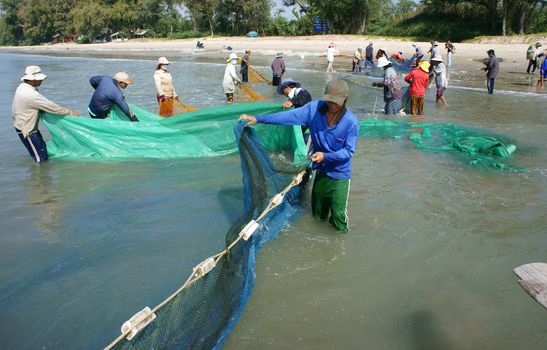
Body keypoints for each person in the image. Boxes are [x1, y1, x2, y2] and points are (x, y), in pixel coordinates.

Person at [238, 79, 359, 232]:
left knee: (338, 216)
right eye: (329, 101)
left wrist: (326, 156)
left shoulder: (351, 122)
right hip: (321, 171)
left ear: (345, 99)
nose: (332, 105)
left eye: (336, 102)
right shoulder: (314, 109)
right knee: (318, 215)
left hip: (340, 175)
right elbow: (289, 117)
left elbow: (349, 151)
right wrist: (258, 119)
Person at [12, 65, 78, 162]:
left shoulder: (22, 87)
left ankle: (44, 176)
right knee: (40, 159)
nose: (41, 81)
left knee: (43, 153)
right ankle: (39, 176)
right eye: (39, 79)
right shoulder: (31, 94)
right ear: (32, 79)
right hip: (26, 130)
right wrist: (69, 112)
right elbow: (51, 107)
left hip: (27, 126)